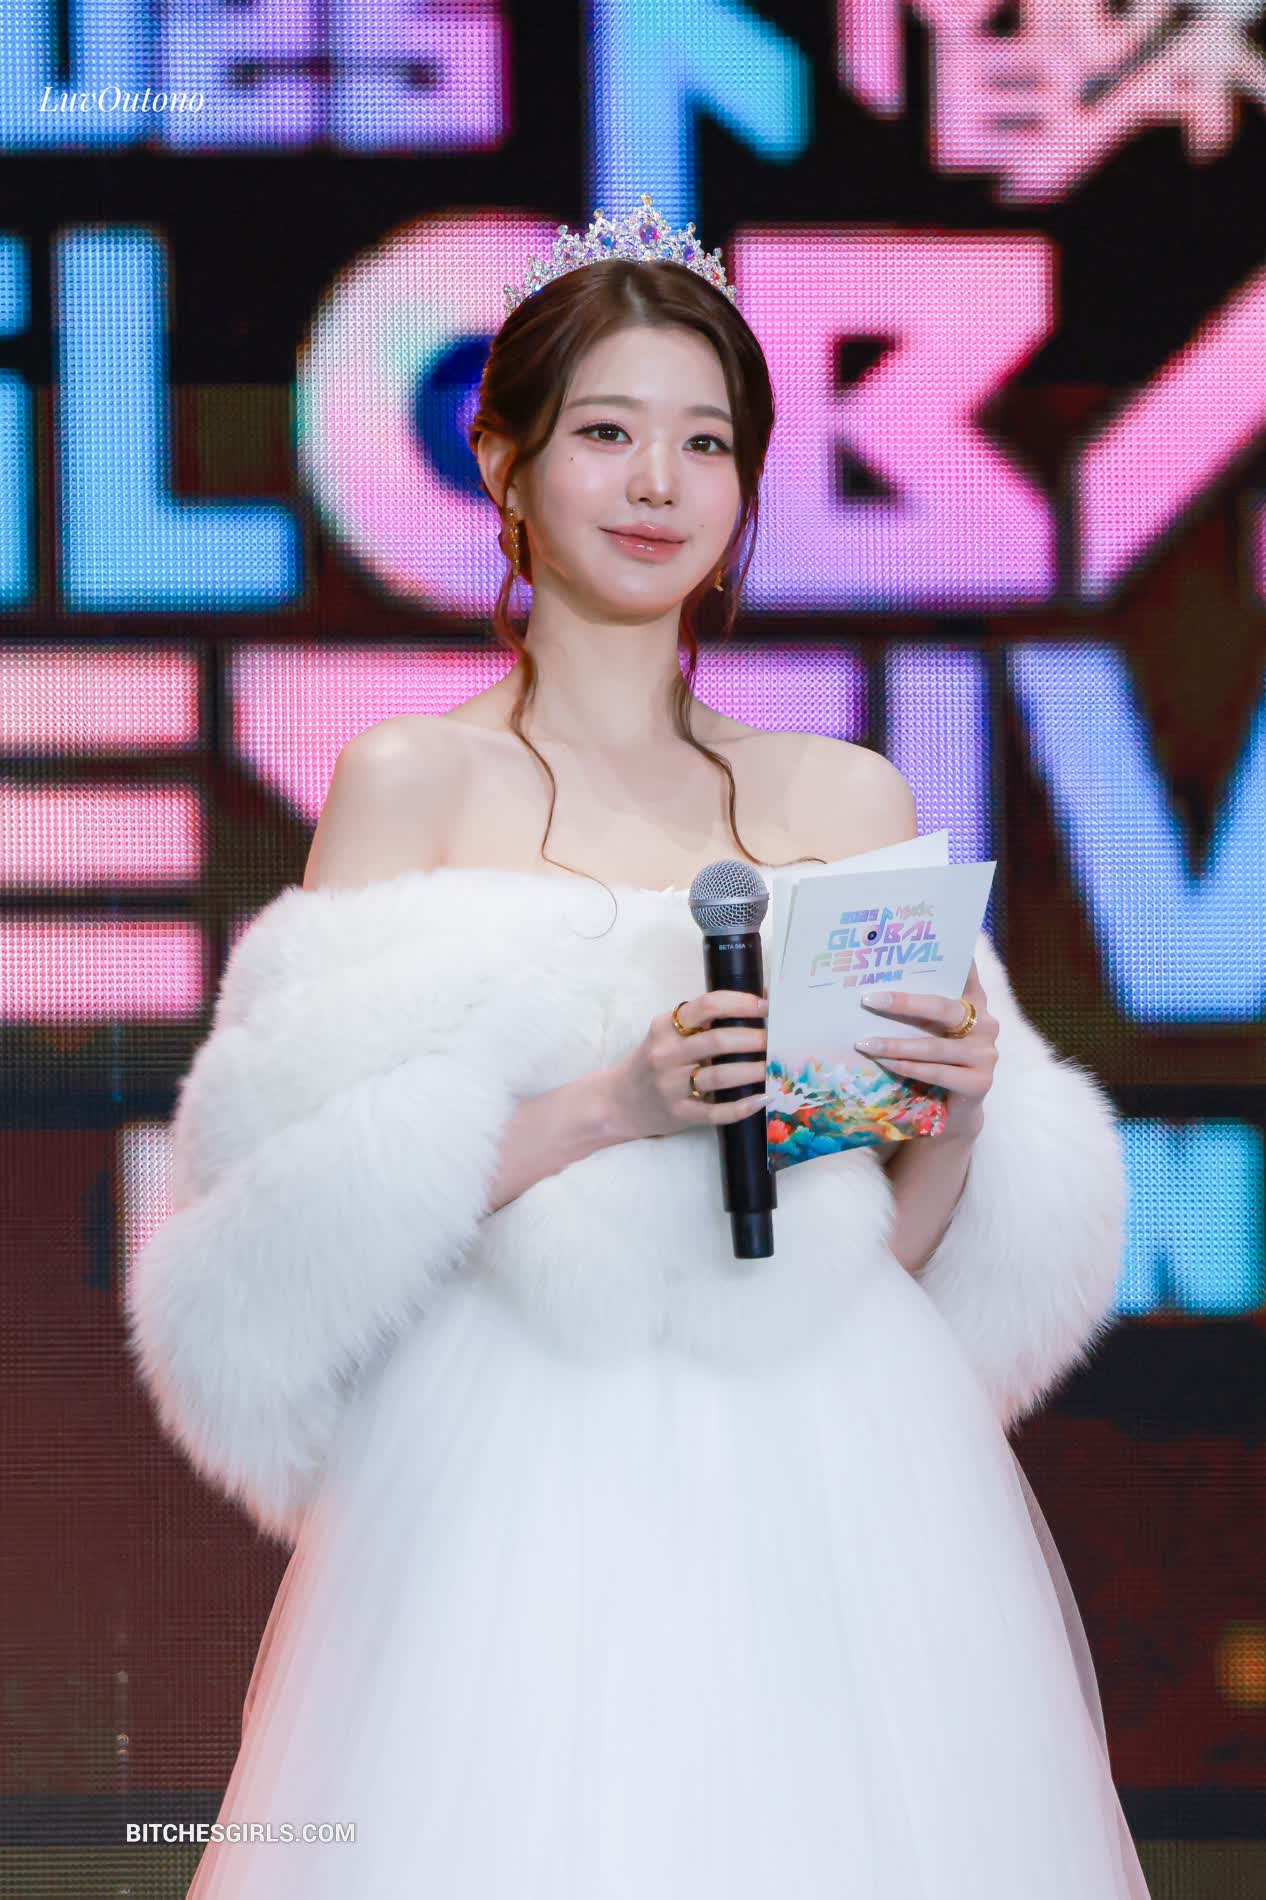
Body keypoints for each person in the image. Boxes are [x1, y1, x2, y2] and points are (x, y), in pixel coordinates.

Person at [126, 196, 1153, 1898]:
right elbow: (301, 1221)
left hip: (839, 1489)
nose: (657, 483)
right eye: (605, 433)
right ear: (504, 461)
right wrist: (609, 1108)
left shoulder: (839, 797)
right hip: (514, 1478)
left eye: (706, 442)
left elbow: (865, 1263)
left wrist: (957, 1123)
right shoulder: (410, 782)